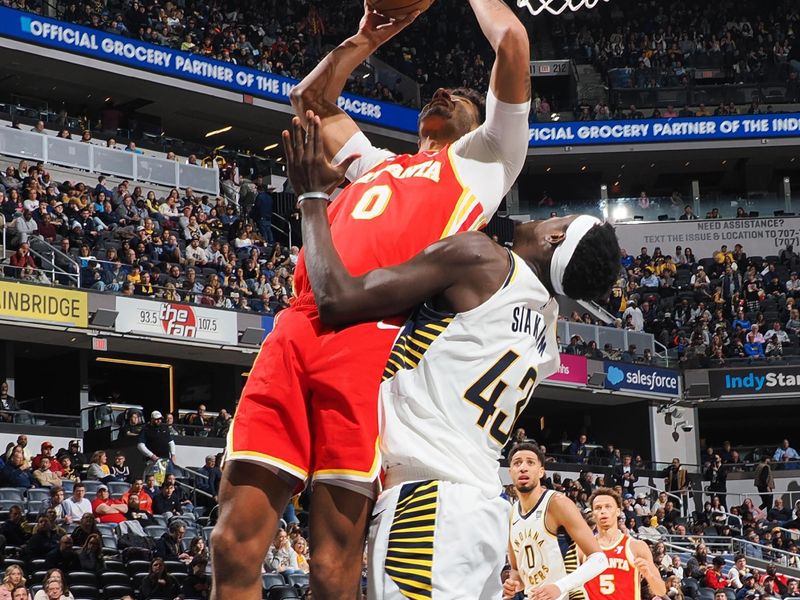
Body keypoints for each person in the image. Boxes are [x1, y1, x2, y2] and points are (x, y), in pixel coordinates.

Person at [214, 0, 534, 597]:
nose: (442, 92)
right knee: (231, 545)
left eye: (459, 96)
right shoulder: (378, 166)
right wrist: (363, 39)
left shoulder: (486, 164)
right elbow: (309, 104)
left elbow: (512, 39)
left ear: (480, 119)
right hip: (296, 326)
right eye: (438, 91)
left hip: (370, 339)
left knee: (332, 565)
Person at [285, 115, 620, 599]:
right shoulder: (546, 331)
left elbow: (336, 299)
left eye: (558, 221)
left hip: (430, 501)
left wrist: (311, 197)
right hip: (480, 504)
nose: (544, 218)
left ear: (554, 238)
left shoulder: (483, 262)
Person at [503, 445, 608, 599]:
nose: (523, 468)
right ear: (510, 472)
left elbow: (600, 560)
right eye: (517, 463)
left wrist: (560, 587)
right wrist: (514, 583)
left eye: (530, 462)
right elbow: (517, 570)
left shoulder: (557, 503)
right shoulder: (512, 513)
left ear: (541, 471)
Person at [583, 488, 667, 600]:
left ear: (618, 511)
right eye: (598, 508)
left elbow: (661, 590)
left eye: (608, 506)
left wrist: (649, 576)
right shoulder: (582, 548)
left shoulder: (636, 546)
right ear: (593, 514)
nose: (603, 511)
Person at [137, 411, 177, 475]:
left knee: (170, 478)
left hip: (166, 459)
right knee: (157, 481)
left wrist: (173, 454)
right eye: (156, 419)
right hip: (153, 461)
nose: (159, 421)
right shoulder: (146, 429)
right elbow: (140, 445)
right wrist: (151, 455)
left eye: (160, 419)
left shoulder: (164, 428)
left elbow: (171, 442)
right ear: (152, 419)